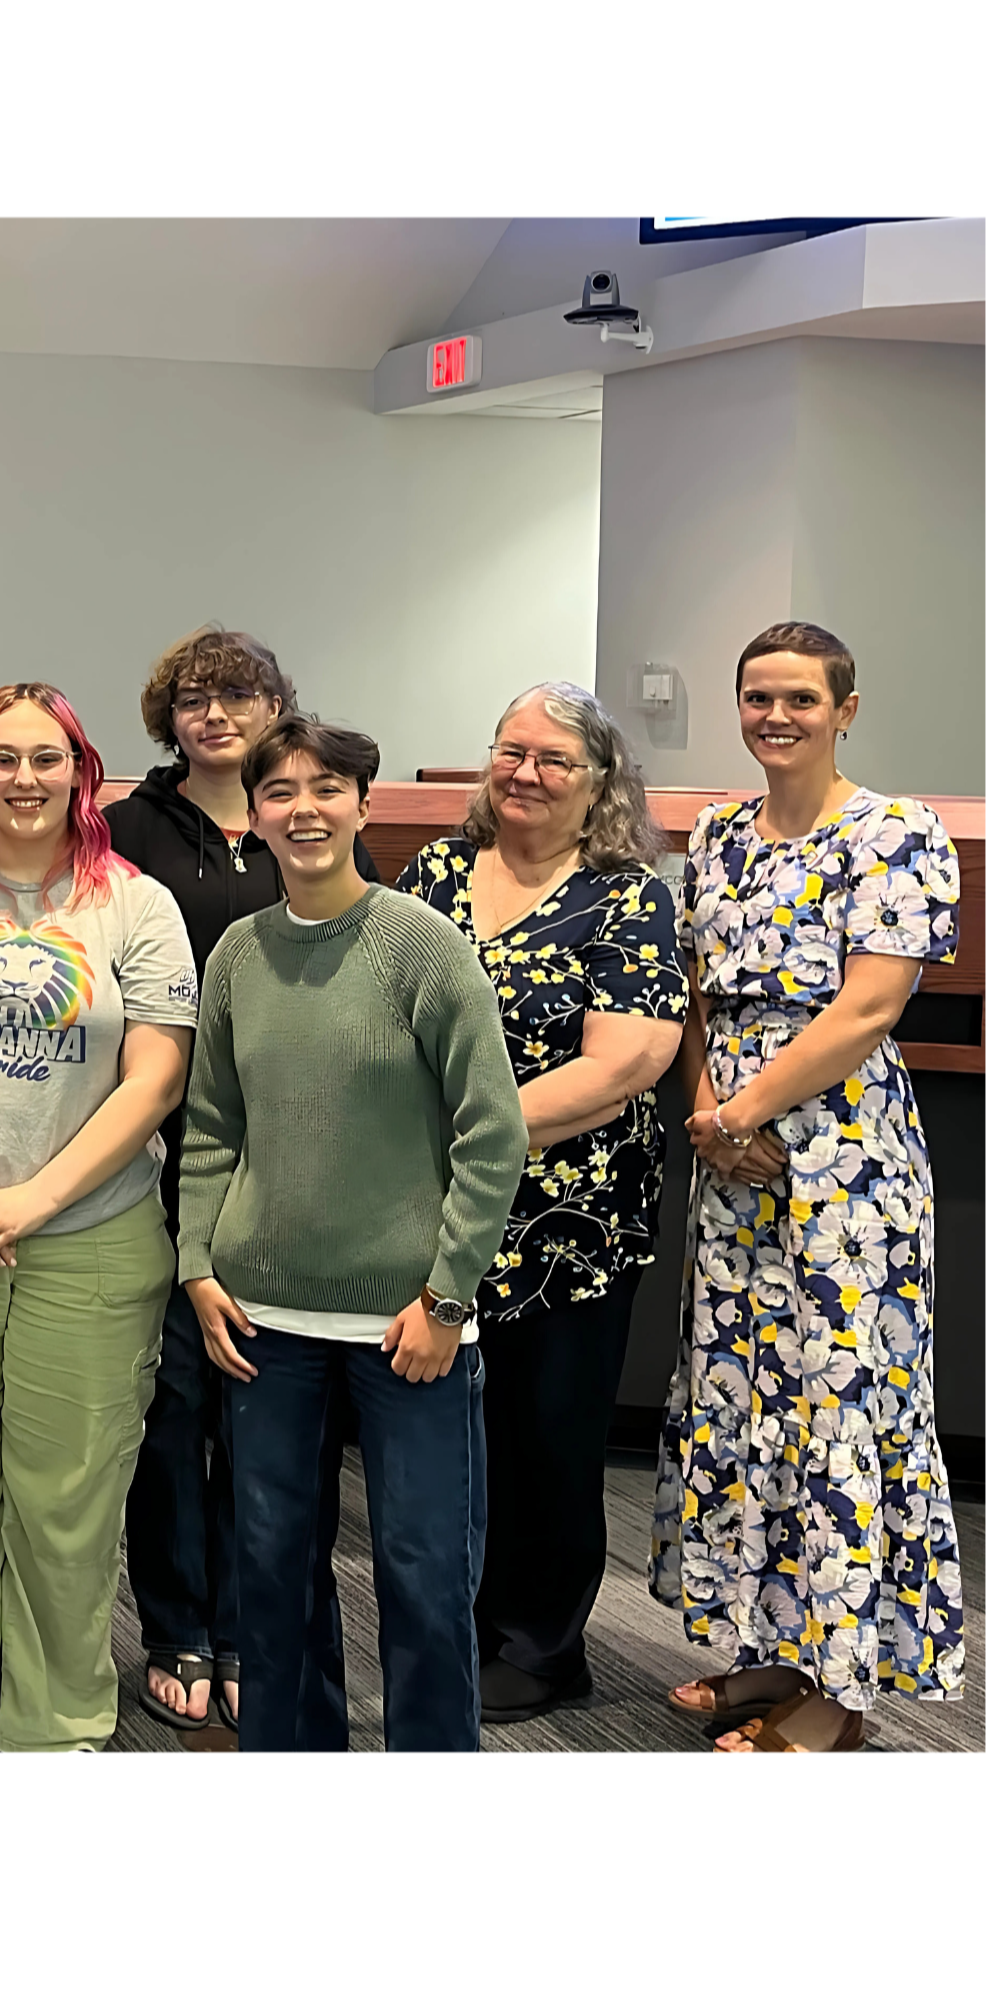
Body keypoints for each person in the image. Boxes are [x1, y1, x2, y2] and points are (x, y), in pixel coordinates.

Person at [178, 717, 524, 1754]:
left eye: (327, 788)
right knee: (274, 1575)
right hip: (264, 1323)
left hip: (407, 1325)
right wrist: (197, 1265)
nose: (304, 809)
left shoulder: (420, 943)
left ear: (364, 806)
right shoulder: (239, 952)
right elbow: (208, 1127)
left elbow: (492, 1132)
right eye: (279, 791)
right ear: (256, 815)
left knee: (423, 1579)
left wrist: (448, 1299)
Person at [654, 623, 965, 1754]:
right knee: (748, 1402)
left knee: (843, 1405)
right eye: (755, 697)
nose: (774, 716)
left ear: (846, 708)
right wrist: (707, 1113)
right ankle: (775, 1650)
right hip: (730, 1155)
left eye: (798, 698)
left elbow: (870, 1008)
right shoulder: (720, 830)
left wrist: (740, 1113)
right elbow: (692, 994)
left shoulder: (896, 833)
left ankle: (842, 1693)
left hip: (844, 1164)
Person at [0, 684, 198, 1751]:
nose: (24, 779)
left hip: (92, 1239)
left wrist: (33, 1198)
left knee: (68, 1506)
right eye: (2, 759)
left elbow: (154, 1080)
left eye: (46, 759)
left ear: (81, 771)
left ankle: (56, 1728)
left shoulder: (135, 906)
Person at [104, 625, 377, 1732]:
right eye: (194, 698)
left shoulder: (301, 826)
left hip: (295, 1175)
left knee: (268, 1418)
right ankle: (177, 1625)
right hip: (161, 1158)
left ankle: (255, 1627)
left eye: (239, 695)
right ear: (167, 716)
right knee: (171, 1411)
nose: (215, 714)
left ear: (277, 707)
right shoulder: (120, 831)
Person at [398, 683, 685, 1725]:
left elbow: (625, 1063)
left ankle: (543, 1649)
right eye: (510, 751)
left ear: (600, 780)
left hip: (571, 1219)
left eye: (552, 759)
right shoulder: (436, 873)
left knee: (546, 1438)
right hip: (436, 1210)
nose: (524, 773)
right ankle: (455, 1626)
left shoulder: (628, 895)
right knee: (445, 1438)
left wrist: (473, 1132)